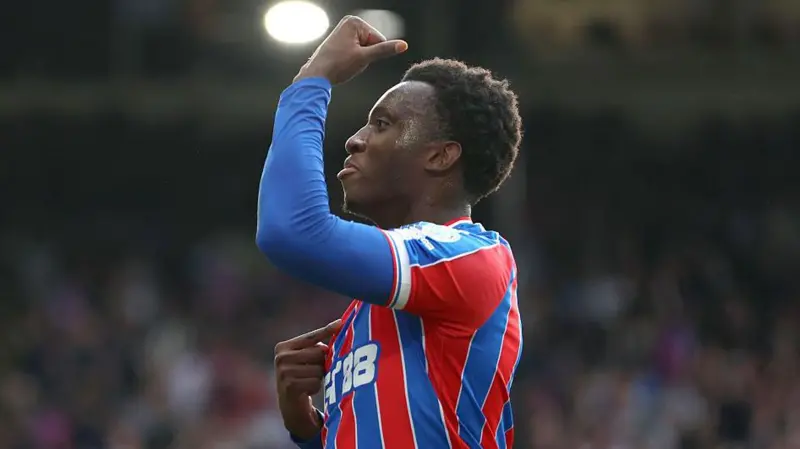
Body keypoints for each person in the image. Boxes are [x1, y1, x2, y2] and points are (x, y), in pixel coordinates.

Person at [257, 15, 523, 449]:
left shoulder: (471, 258)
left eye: (381, 124)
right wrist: (309, 430)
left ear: (440, 156)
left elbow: (292, 232)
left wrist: (312, 80)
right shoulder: (360, 317)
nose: (354, 140)